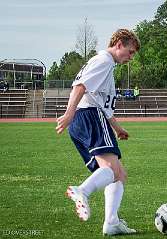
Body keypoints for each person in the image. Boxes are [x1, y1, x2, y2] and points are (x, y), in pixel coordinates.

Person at [55, 29, 140, 236]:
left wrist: (117, 128)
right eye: (130, 52)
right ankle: (81, 191)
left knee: (118, 173)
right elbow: (80, 87)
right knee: (112, 170)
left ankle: (111, 223)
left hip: (85, 119)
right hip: (88, 116)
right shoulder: (103, 61)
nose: (131, 57)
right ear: (119, 44)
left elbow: (103, 104)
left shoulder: (107, 66)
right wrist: (69, 114)